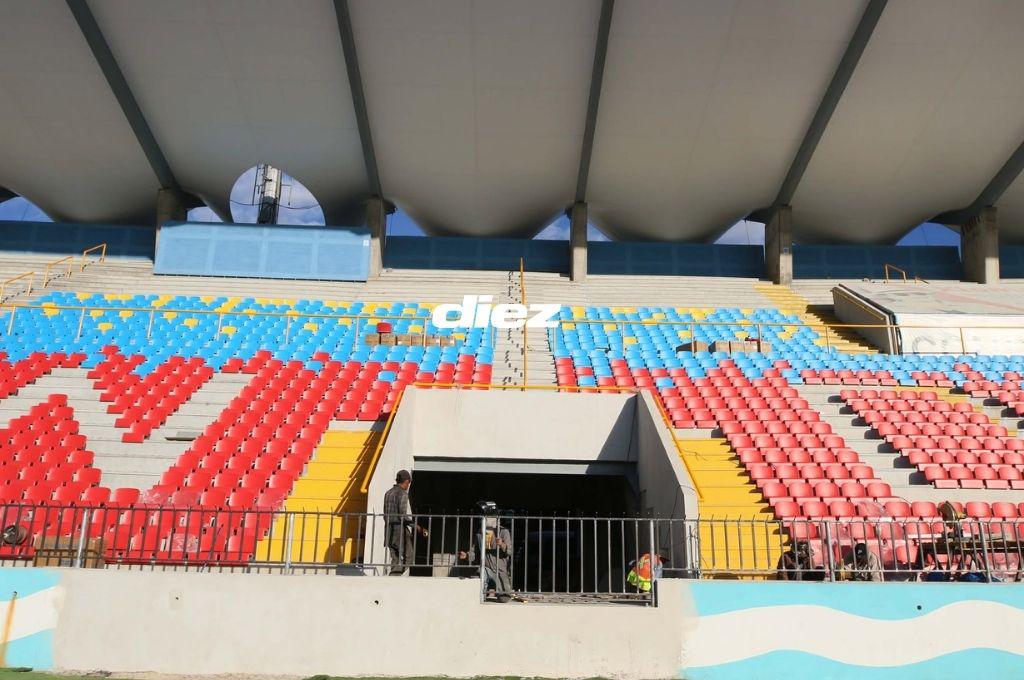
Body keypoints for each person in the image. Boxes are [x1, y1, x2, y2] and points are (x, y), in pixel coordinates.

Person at [459, 501, 514, 602]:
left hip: (500, 570)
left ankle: (498, 590)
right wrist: (466, 555)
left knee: (504, 598)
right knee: (481, 572)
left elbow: (509, 552)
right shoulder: (480, 533)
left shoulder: (503, 532)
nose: (482, 519)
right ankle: (482, 595)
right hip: (486, 568)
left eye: (485, 516)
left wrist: (502, 544)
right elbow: (474, 552)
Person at [382, 469, 426, 575]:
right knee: (409, 557)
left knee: (395, 559)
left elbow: (385, 514)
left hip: (388, 530)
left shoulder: (388, 493)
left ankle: (392, 578)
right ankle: (395, 576)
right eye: (409, 483)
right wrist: (417, 527)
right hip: (399, 531)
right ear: (406, 482)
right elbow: (403, 516)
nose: (408, 486)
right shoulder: (403, 494)